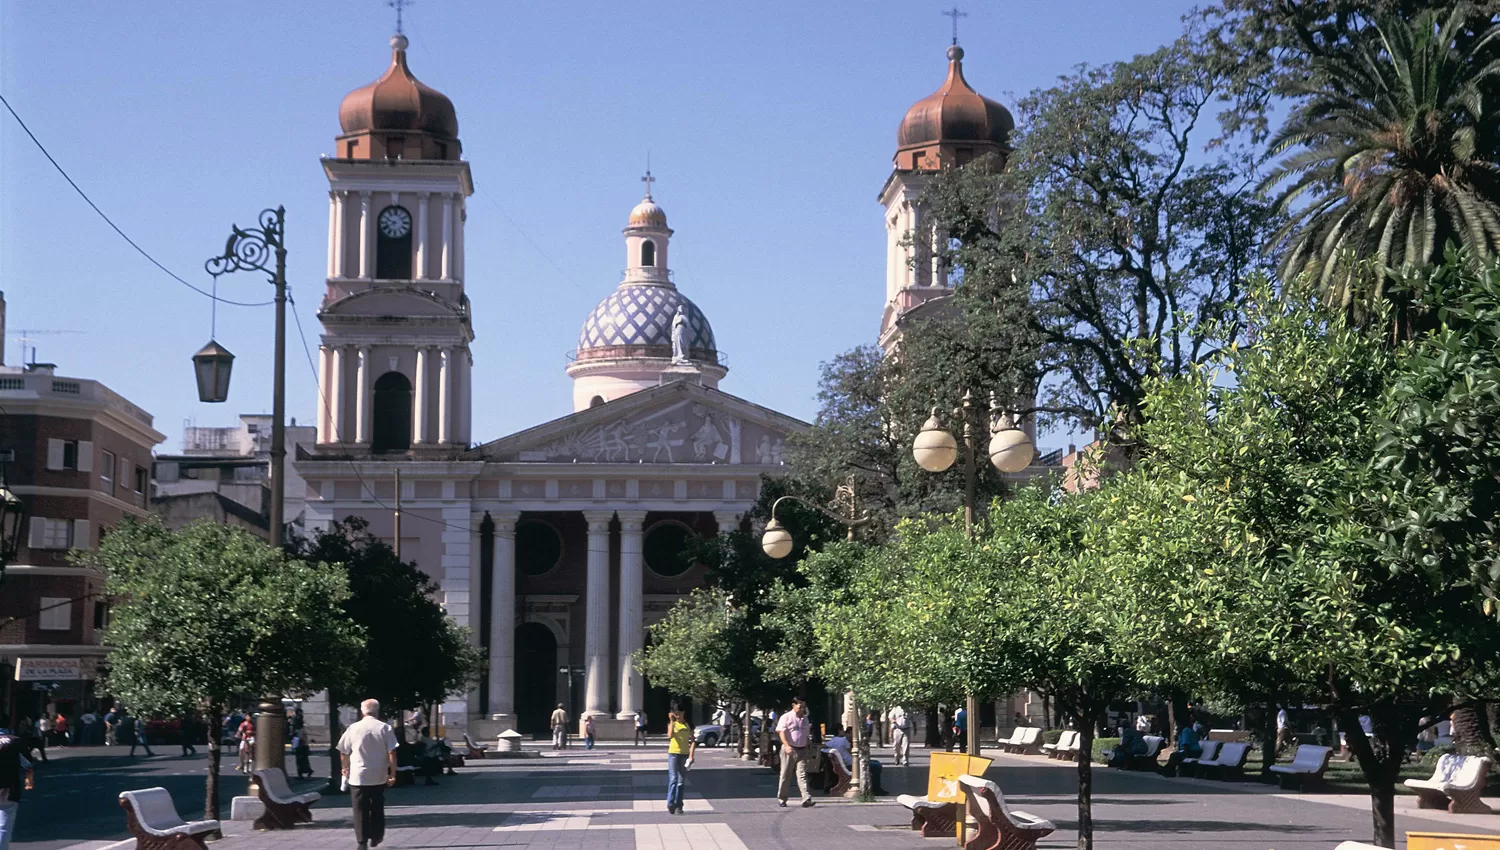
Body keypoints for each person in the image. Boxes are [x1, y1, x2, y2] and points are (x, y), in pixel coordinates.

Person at [338, 699, 398, 850]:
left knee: (359, 809)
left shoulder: (353, 728)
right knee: (377, 806)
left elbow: (343, 751)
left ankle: (362, 841)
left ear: (362, 711)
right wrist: (392, 773)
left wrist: (345, 767)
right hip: (378, 775)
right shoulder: (385, 728)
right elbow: (392, 752)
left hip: (358, 775)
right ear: (377, 711)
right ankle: (376, 835)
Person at [0, 718, 38, 850]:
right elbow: (28, 764)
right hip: (9, 789)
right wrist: (29, 781)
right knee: (4, 826)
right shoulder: (15, 741)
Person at [775, 696, 814, 808]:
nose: (801, 709)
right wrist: (787, 746)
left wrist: (808, 744)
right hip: (790, 749)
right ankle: (782, 798)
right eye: (799, 706)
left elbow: (806, 734)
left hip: (802, 749)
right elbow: (781, 732)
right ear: (794, 705)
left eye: (803, 706)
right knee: (785, 774)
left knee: (802, 774)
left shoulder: (805, 719)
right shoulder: (786, 717)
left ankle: (806, 798)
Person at [826, 726, 884, 795]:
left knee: (876, 763)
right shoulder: (843, 740)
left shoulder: (832, 741)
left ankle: (875, 787)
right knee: (877, 766)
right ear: (839, 731)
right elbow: (852, 752)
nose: (844, 731)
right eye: (843, 730)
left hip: (845, 763)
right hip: (851, 764)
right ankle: (876, 789)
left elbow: (825, 747)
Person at [665, 709, 696, 815]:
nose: (677, 716)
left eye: (679, 714)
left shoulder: (688, 725)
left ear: (683, 713)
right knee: (673, 779)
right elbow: (670, 736)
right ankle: (670, 803)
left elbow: (693, 741)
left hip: (684, 755)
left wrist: (691, 756)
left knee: (681, 782)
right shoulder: (672, 724)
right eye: (676, 714)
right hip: (673, 754)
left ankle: (679, 805)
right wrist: (671, 721)